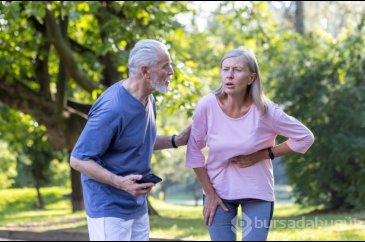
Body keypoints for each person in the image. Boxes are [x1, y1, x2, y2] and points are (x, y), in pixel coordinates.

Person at [186, 48, 314, 241]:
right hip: (218, 191)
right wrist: (209, 193)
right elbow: (194, 149)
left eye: (237, 70)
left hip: (257, 191)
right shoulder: (207, 106)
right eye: (225, 69)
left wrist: (263, 154)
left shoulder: (266, 111)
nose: (229, 75)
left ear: (251, 77)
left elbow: (305, 137)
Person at [70, 39, 191, 241]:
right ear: (145, 71)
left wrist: (175, 140)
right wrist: (120, 182)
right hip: (108, 207)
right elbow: (78, 159)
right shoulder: (112, 109)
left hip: (136, 204)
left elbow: (137, 143)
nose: (171, 71)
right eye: (165, 66)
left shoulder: (148, 98)